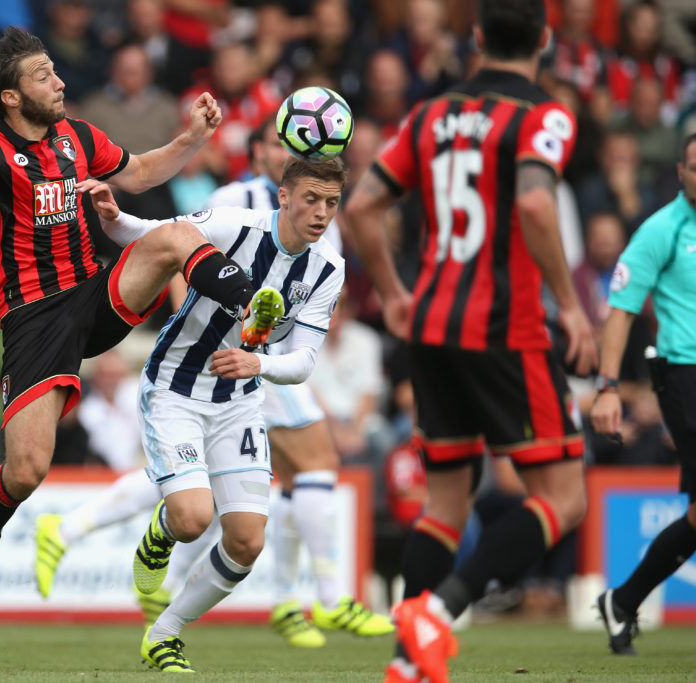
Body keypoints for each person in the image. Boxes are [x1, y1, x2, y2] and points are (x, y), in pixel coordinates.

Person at [0, 26, 282, 611]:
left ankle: (246, 302)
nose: (59, 82)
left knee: (175, 235)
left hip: (94, 293)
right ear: (10, 96)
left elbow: (140, 173)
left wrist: (191, 139)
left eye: (55, 70)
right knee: (27, 470)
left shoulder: (77, 137)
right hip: (33, 321)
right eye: (43, 76)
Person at [344, 1, 599, 681]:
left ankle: (407, 655)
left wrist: (395, 294)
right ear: (546, 38)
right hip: (504, 329)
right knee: (566, 496)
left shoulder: (429, 115)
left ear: (477, 37)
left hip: (428, 324)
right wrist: (571, 309)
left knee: (445, 505)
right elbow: (538, 204)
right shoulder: (544, 114)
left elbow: (363, 204)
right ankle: (441, 612)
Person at [84, 156, 346, 672]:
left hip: (240, 401)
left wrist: (258, 363)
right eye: (311, 199)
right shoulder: (234, 224)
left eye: (331, 203)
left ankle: (165, 633)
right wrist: (114, 218)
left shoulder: (328, 268)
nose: (320, 213)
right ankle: (163, 531)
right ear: (285, 196)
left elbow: (304, 362)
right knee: (193, 519)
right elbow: (162, 235)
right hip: (176, 387)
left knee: (247, 542)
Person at [201, 120, 391, 645]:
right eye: (283, 144)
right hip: (246, 353)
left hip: (271, 356)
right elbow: (187, 256)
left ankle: (287, 602)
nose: (291, 151)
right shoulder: (237, 198)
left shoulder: (316, 206)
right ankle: (328, 599)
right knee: (317, 464)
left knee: (285, 479)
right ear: (262, 150)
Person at [591, 132, 696, 656]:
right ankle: (625, 600)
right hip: (684, 376)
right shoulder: (661, 230)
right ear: (681, 171)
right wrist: (607, 387)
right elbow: (622, 310)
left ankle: (624, 600)